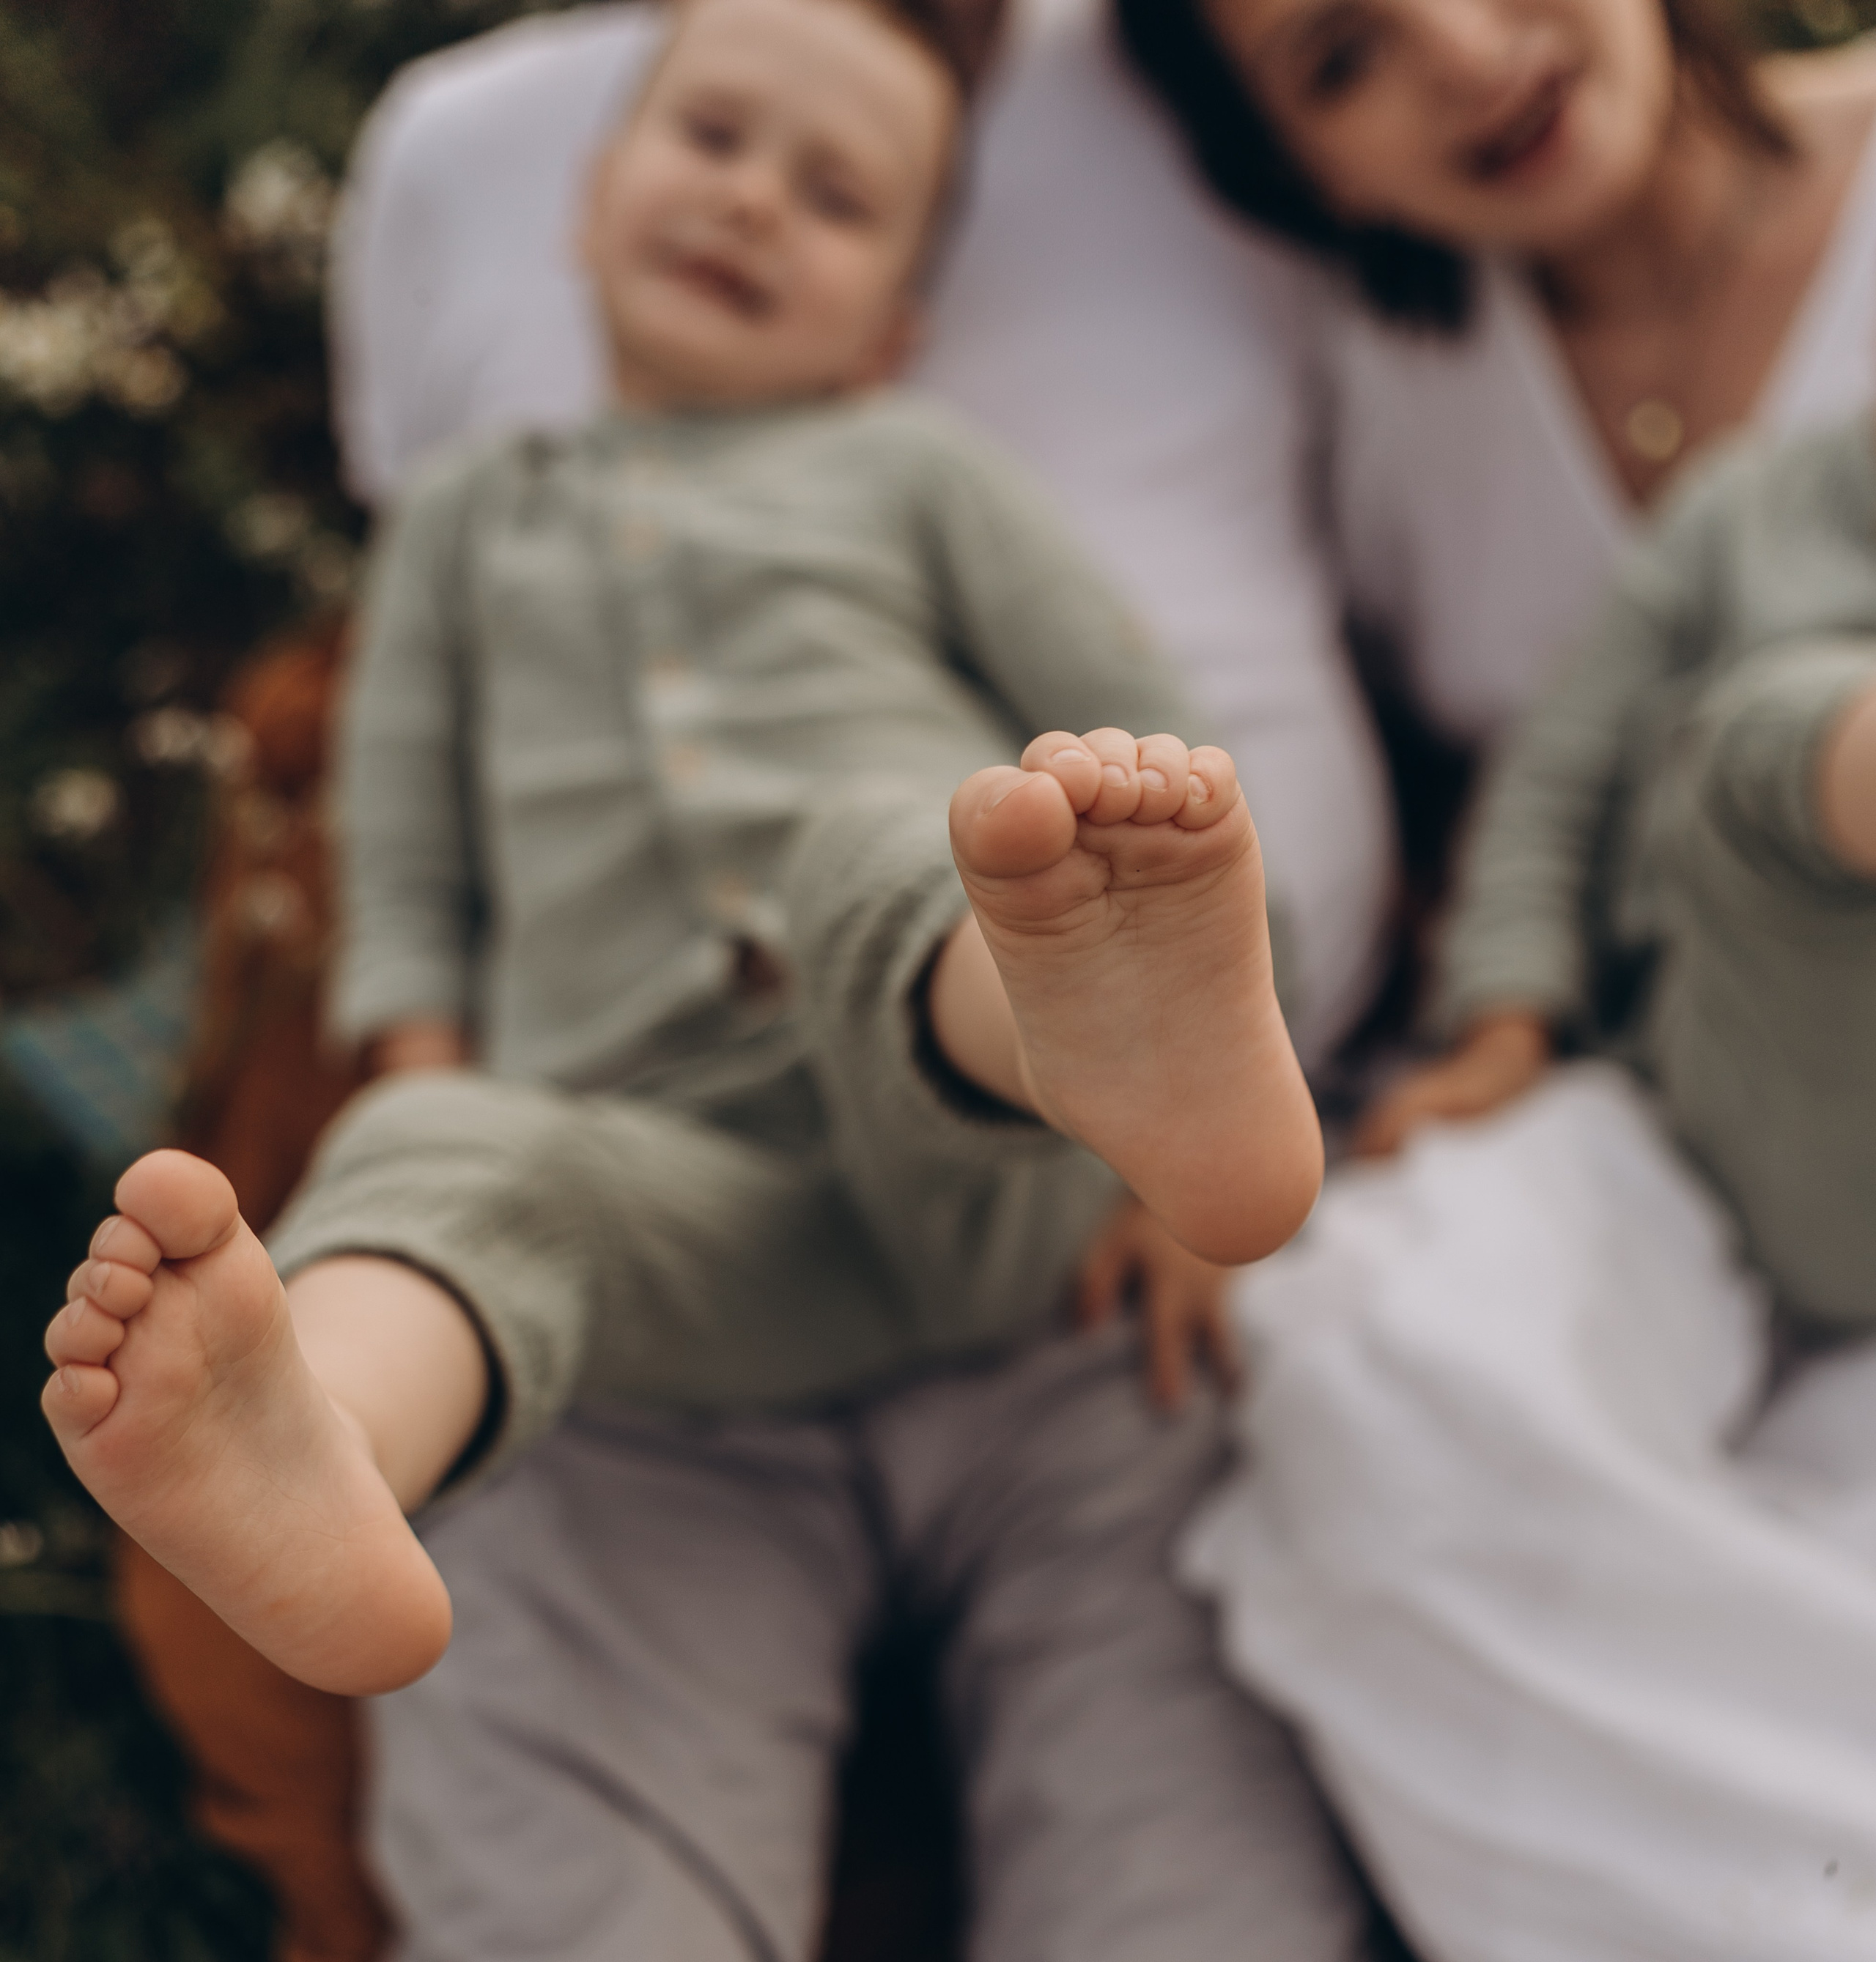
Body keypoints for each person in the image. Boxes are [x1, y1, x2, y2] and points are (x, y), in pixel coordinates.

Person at [43, 2, 1364, 1956]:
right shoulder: (470, 520)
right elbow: (398, 839)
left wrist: (1194, 1108)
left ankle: (1119, 1065)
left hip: (1006, 1188)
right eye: (717, 141)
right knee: (473, 1164)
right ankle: (335, 1432)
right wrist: (416, 1060)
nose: (753, 202)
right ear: (588, 206)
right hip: (676, 1224)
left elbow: (1145, 759)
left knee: (899, 849)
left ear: (895, 326)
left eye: (834, 199)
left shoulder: (918, 468)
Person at [1102, 4, 1876, 1955]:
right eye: (1338, 59)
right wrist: (1270, 1076)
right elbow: (1474, 809)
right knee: (1370, 1359)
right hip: (1697, 1084)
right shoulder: (1394, 404)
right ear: (1304, 175)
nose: (1458, 52)